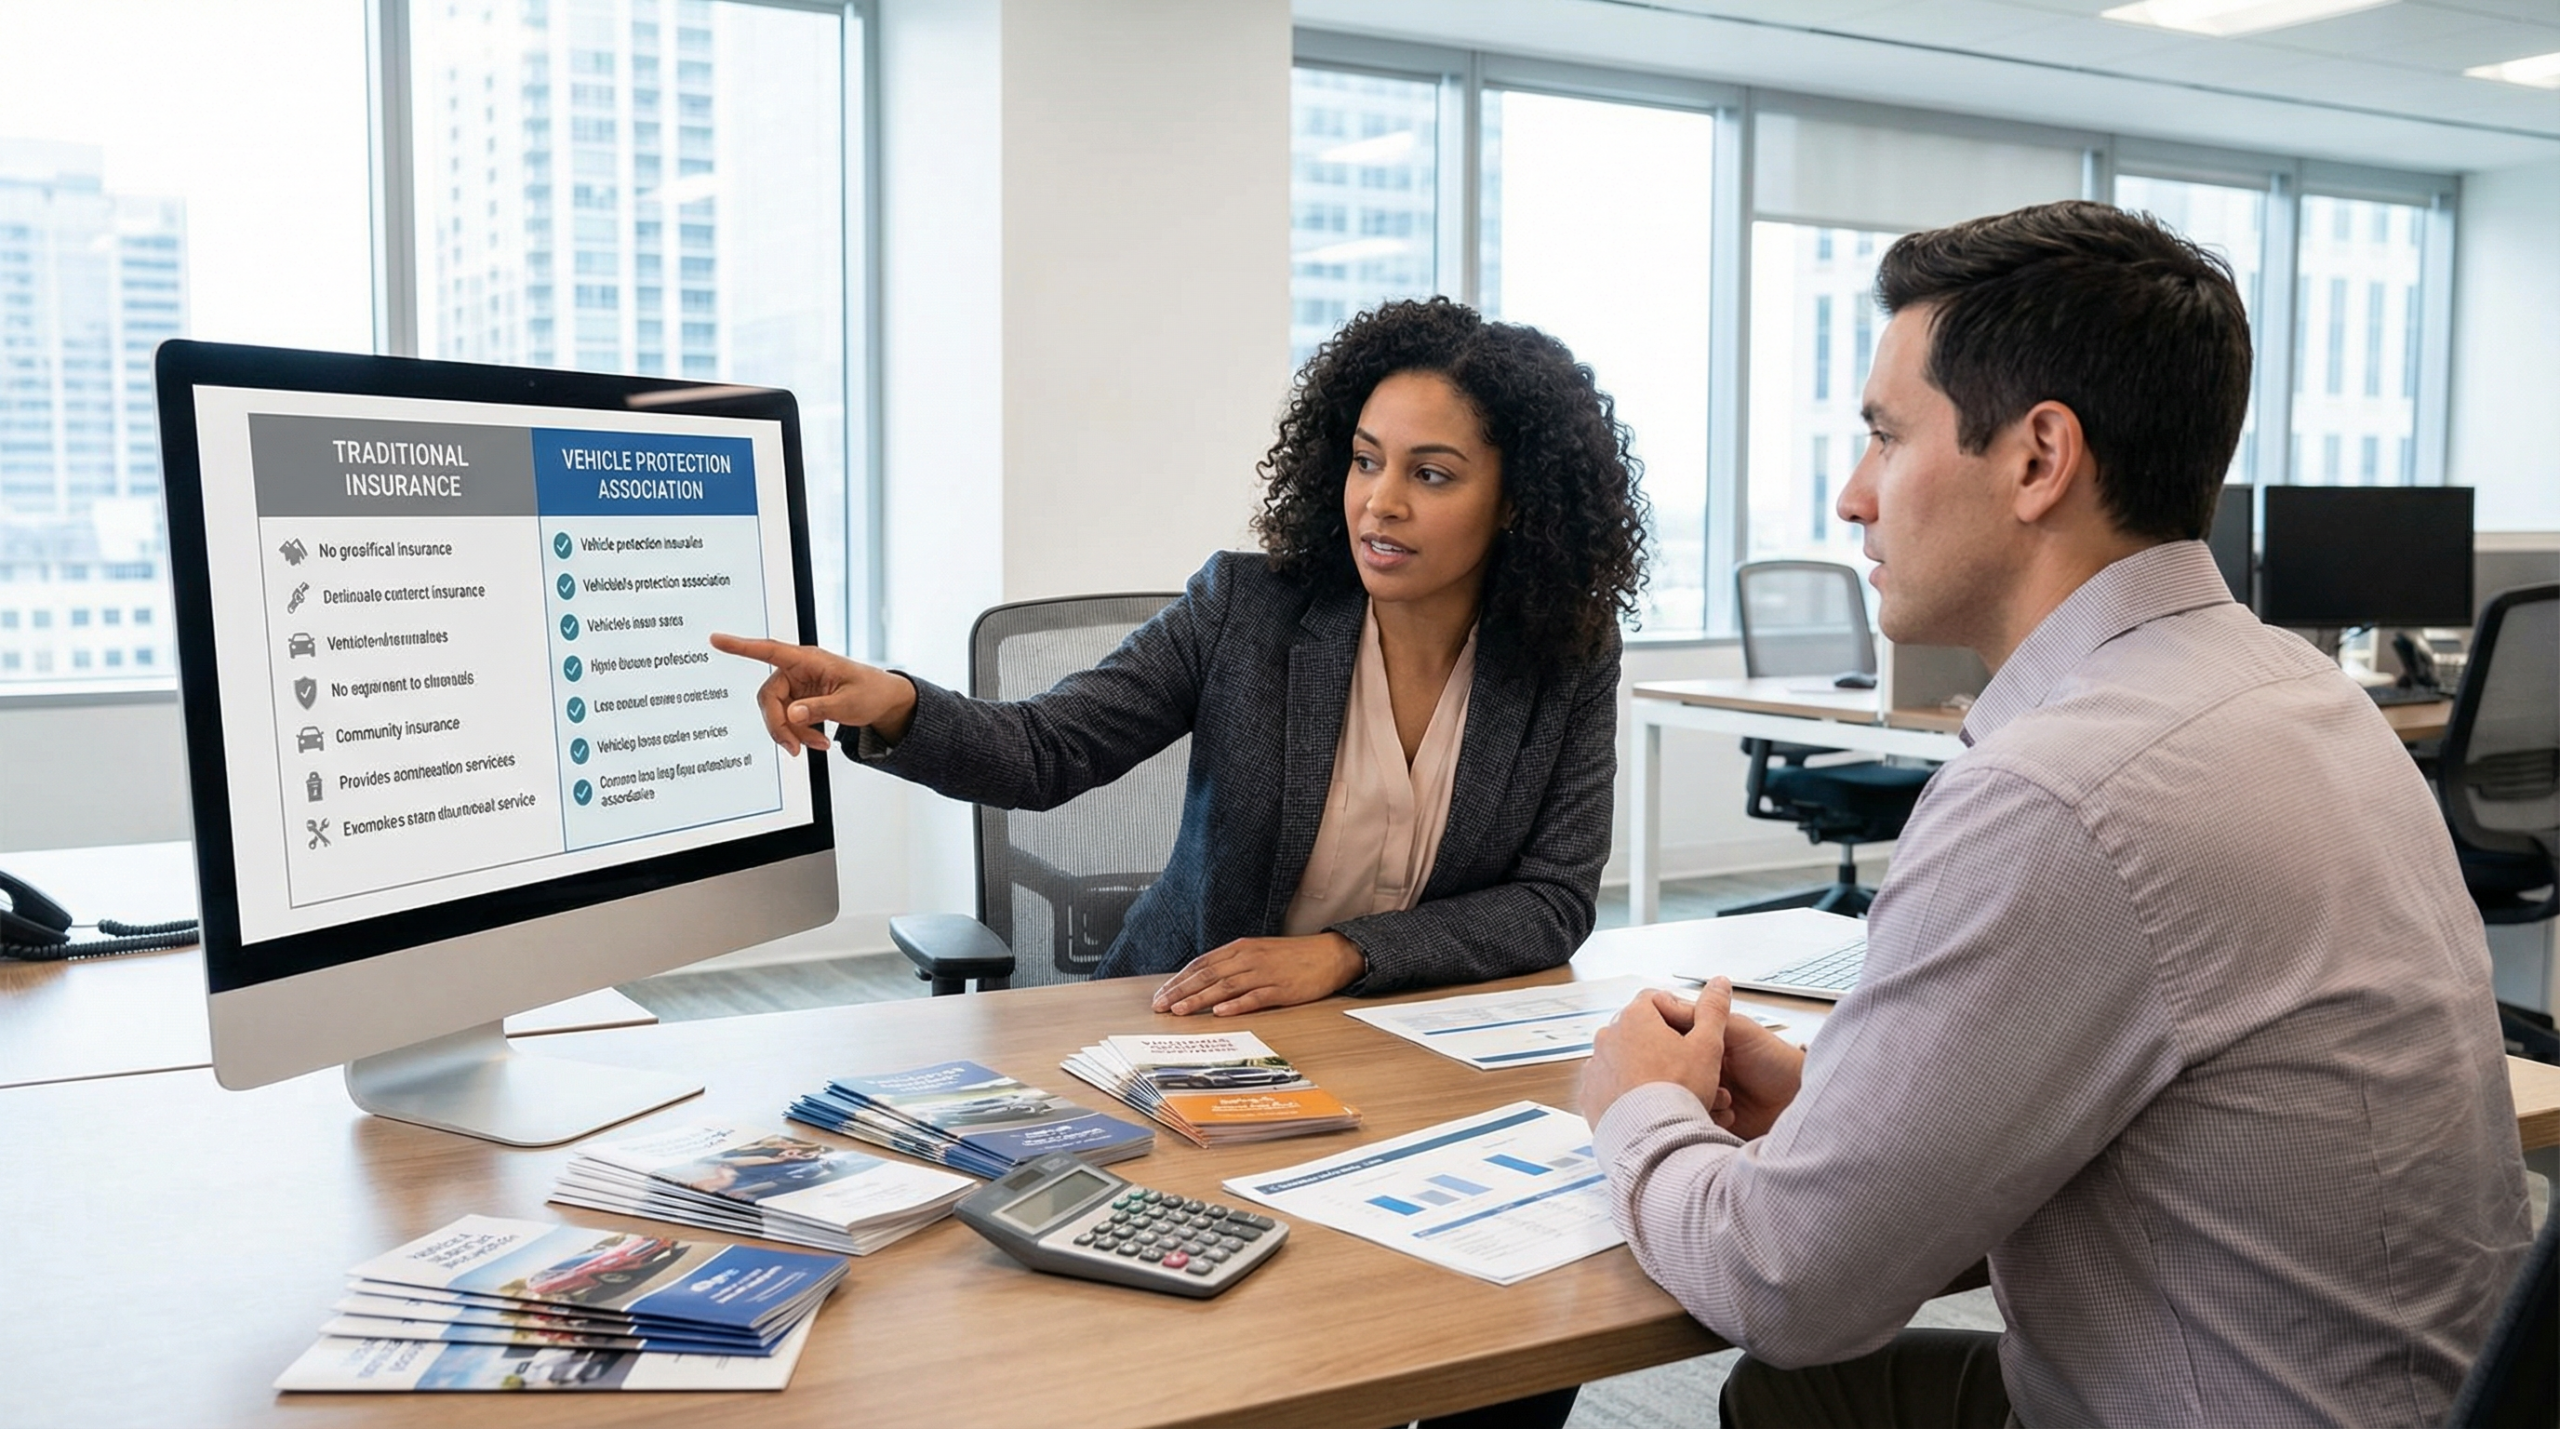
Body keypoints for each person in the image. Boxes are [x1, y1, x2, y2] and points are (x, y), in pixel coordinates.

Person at [1581, 201, 2532, 1428]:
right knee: (1807, 1399)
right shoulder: (2298, 693)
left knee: (1796, 1370)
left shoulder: (2062, 792)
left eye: (1883, 437)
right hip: (2412, 1400)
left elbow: (1786, 1282)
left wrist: (1637, 1107)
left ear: (2037, 458)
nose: (1851, 497)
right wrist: (1839, 1103)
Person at [714, 296, 1647, 1020]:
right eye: (1366, 461)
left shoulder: (1564, 656)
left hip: (1410, 1028)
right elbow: (1047, 749)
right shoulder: (1249, 608)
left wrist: (1344, 952)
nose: (1381, 502)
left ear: (1517, 502)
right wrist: (896, 705)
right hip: (1189, 1022)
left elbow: (1552, 901)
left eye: (1430, 474)